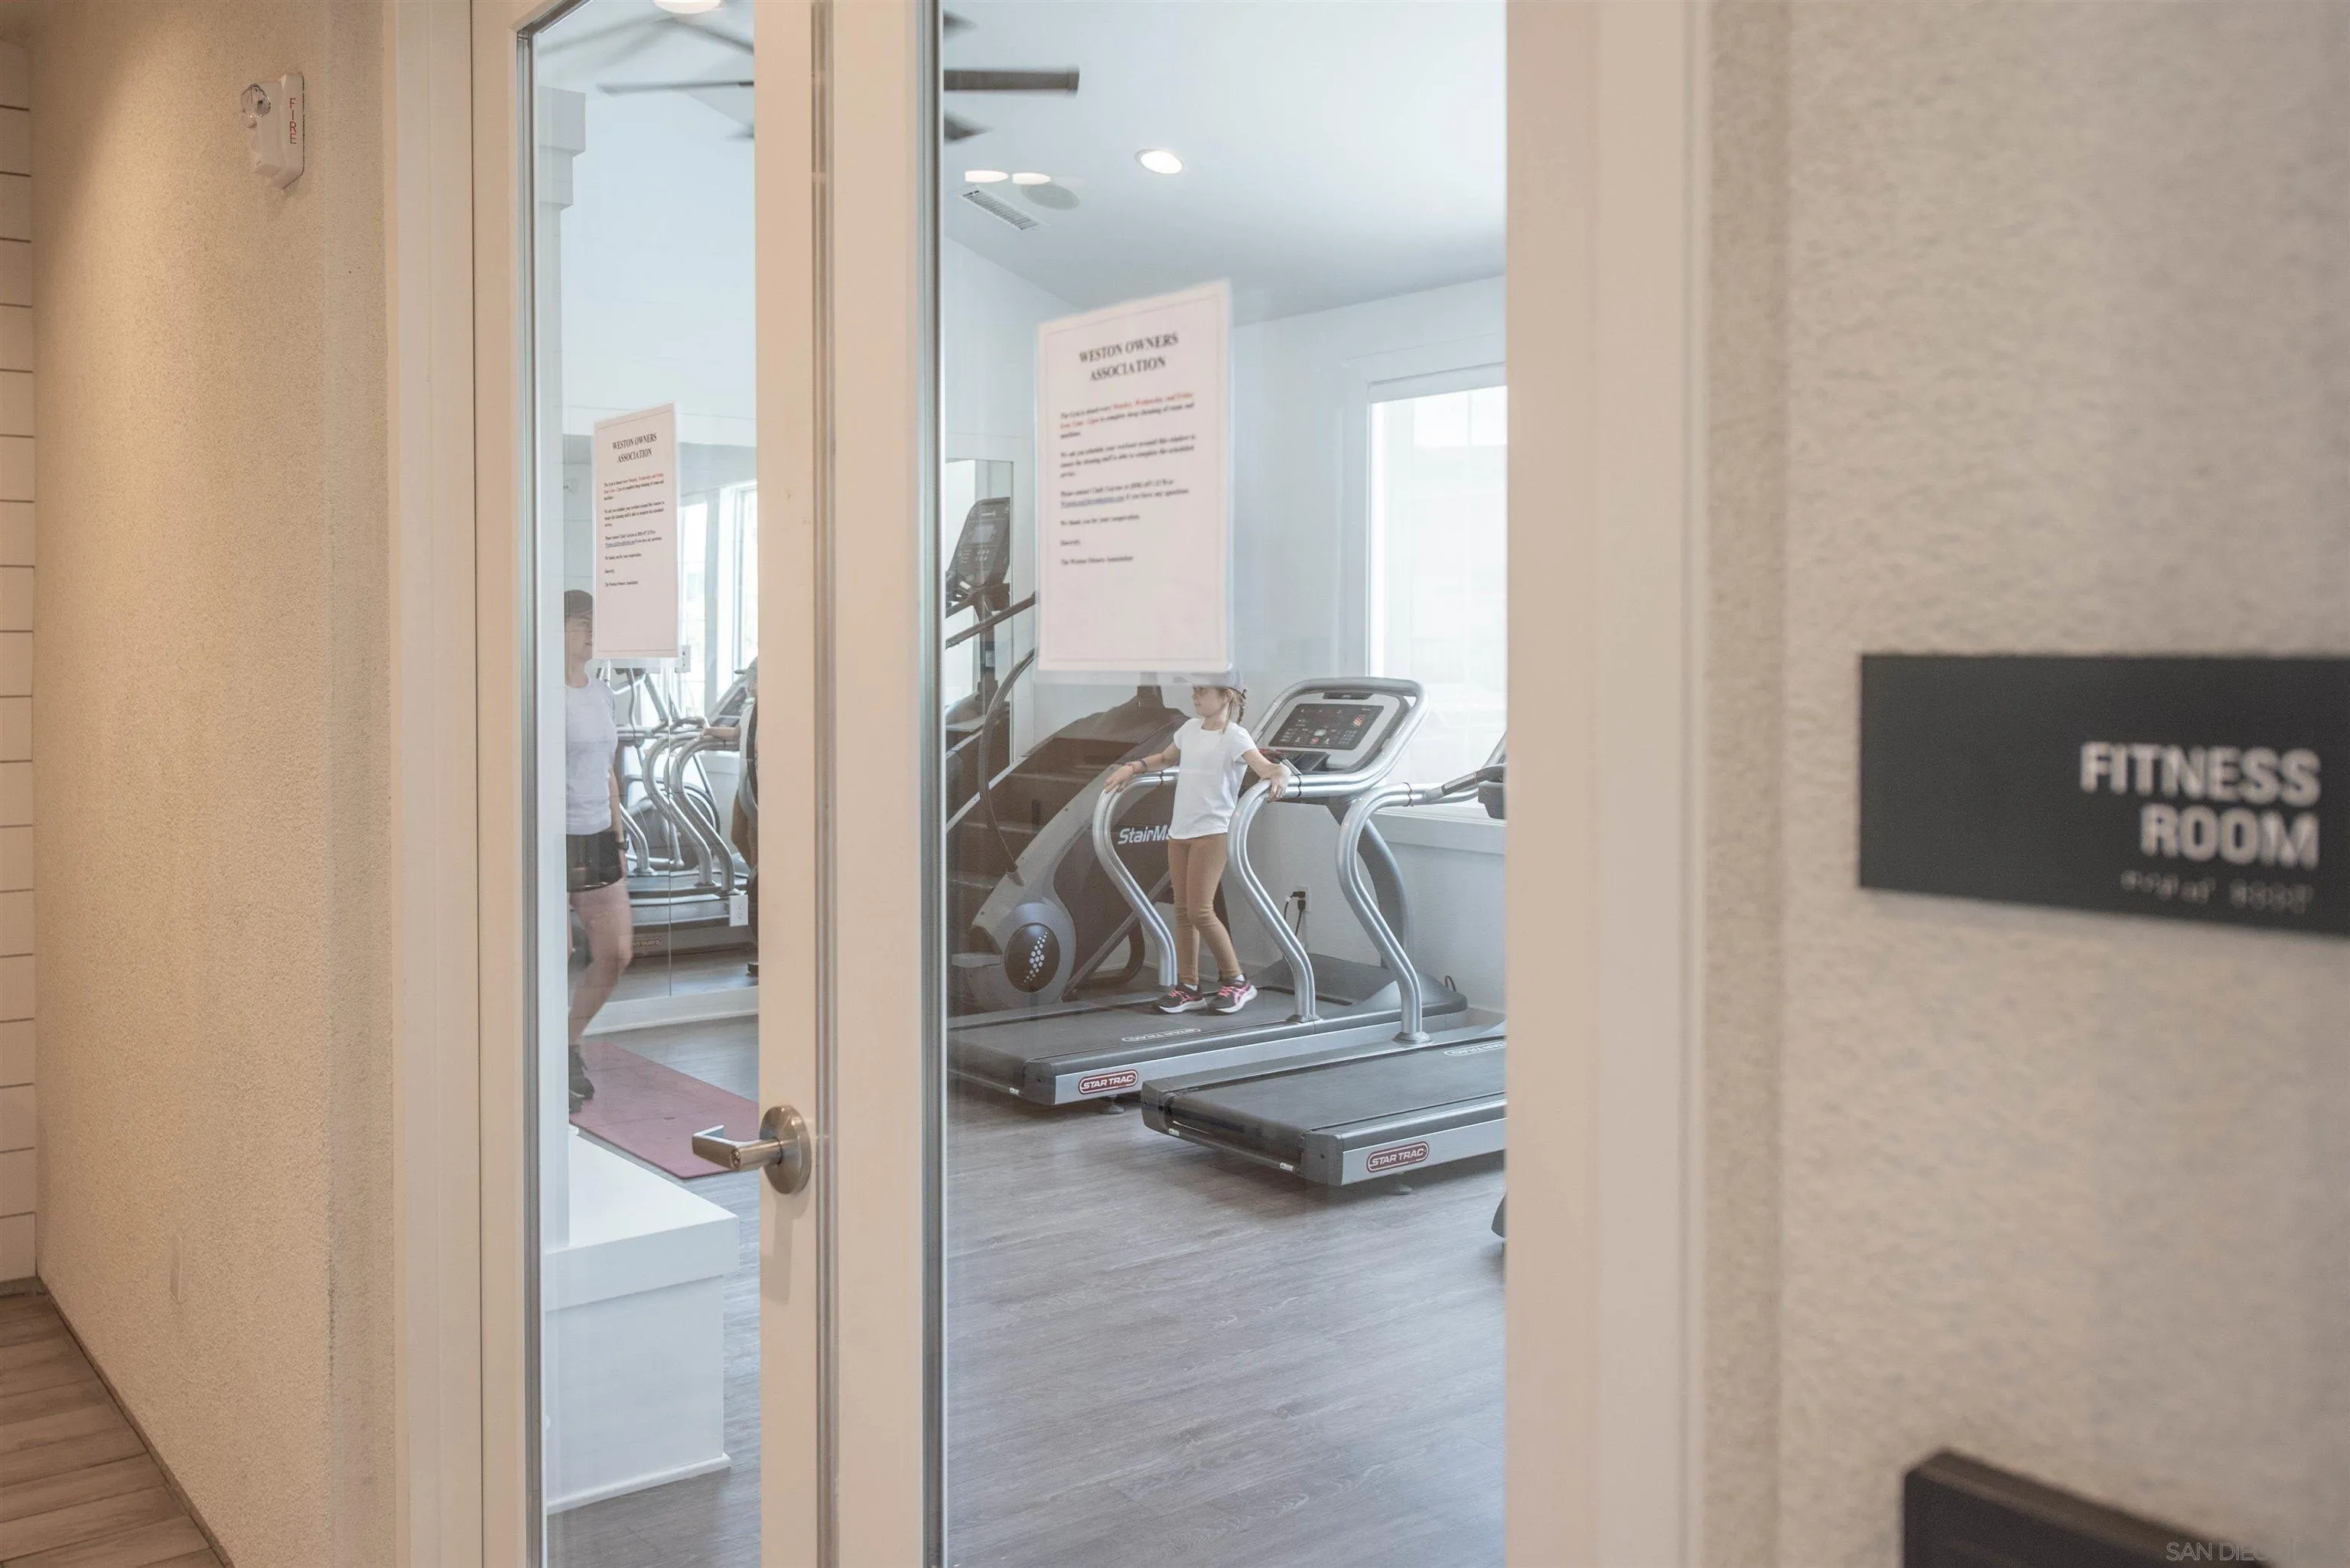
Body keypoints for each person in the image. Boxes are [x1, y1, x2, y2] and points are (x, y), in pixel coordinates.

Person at [1106, 679, 1287, 1015]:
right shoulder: (1189, 729)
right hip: (1180, 832)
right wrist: (1132, 768)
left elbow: (1264, 767)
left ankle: (1238, 981)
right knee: (1182, 912)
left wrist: (1279, 774)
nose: (1195, 696)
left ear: (1226, 697)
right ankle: (1189, 986)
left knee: (1200, 911)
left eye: (1202, 691)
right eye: (1194, 690)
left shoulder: (1235, 737)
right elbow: (1164, 758)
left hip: (1213, 833)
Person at [562, 590, 632, 1111]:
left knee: (615, 955)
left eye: (595, 625)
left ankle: (568, 1042)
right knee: (552, 956)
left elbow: (607, 765)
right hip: (551, 839)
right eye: (582, 623)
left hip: (597, 835)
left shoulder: (602, 693)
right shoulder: (540, 692)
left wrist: (617, 830)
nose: (591, 633)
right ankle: (540, 1054)